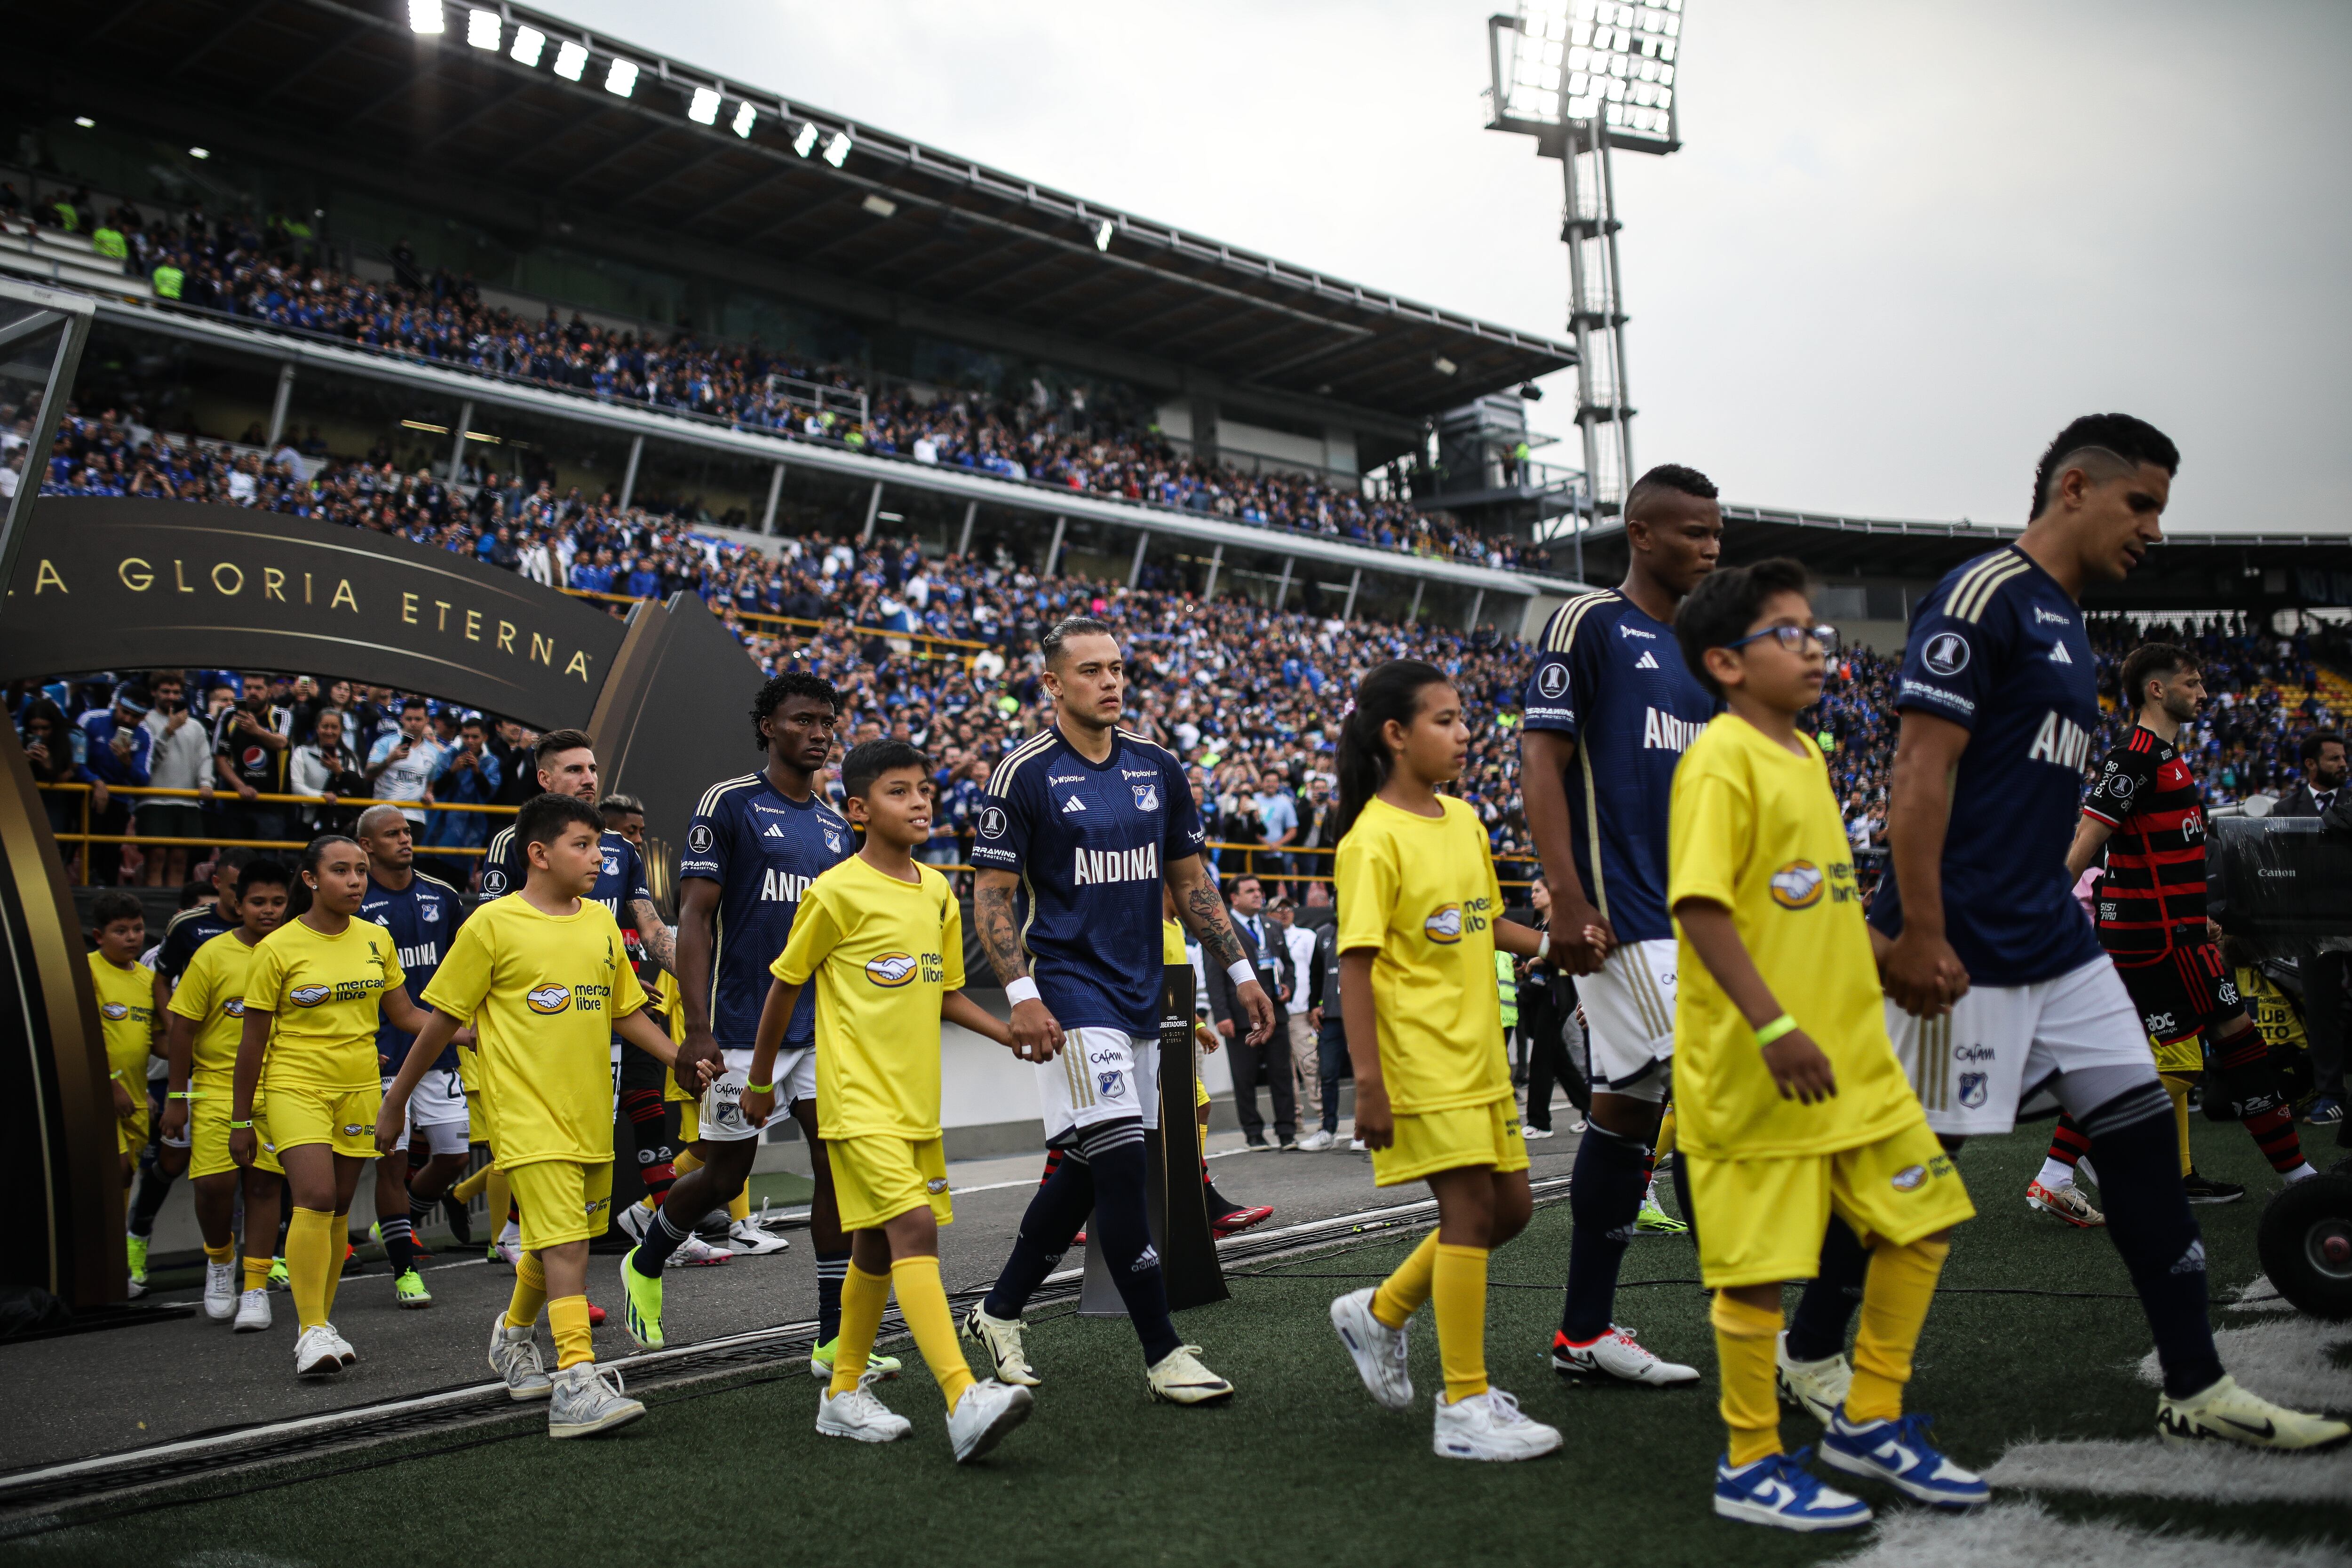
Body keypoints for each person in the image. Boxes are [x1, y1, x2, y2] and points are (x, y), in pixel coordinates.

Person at [1872, 413, 2346, 1450]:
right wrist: (1915, 929)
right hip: (1971, 939)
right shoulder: (1983, 595)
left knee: (2136, 1130)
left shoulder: (2066, 621)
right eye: (2144, 504)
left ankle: (2196, 1381)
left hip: (2057, 939)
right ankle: (1812, 1350)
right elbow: (1916, 773)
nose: (2157, 530)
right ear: (2075, 488)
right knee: (1916, 1162)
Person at [1670, 560, 1985, 1529]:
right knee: (1759, 1272)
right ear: (1725, 662)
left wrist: (1893, 956)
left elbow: (1822, 898)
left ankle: (1870, 1417)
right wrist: (1772, 1026)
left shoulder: (1804, 754)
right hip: (1761, 1065)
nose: (1813, 647)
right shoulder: (1720, 759)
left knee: (1922, 1218)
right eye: (1788, 633)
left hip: (1855, 1058)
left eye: (1816, 630)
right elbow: (1700, 906)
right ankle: (1749, 1459)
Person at [962, 615, 1272, 1405]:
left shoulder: (1159, 766)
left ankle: (998, 1312)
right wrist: (1025, 995)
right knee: (1127, 1161)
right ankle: (1163, 1350)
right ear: (1054, 685)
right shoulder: (1022, 772)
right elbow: (992, 897)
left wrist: (1241, 969)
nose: (1112, 681)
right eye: (1093, 670)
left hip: (1143, 990)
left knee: (1088, 1162)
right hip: (1071, 988)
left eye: (1118, 668)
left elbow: (1194, 885)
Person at [741, 738, 1033, 1460]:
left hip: (916, 1109)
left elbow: (946, 993)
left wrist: (1009, 1033)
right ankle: (963, 1395)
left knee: (874, 1245)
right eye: (900, 791)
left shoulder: (937, 890)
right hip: (856, 1105)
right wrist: (757, 1080)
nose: (921, 802)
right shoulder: (834, 890)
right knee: (913, 1229)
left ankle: (842, 1395)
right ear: (859, 810)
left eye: (926, 789)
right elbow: (785, 985)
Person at [381, 793, 694, 1438]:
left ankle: (514, 1335)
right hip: (526, 1116)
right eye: (583, 845)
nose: (598, 857)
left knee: (553, 1244)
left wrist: (680, 1058)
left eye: (601, 847)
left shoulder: (602, 925)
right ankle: (576, 1379)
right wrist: (393, 1104)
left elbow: (625, 1012)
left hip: (589, 1113)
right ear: (539, 853)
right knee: (569, 1245)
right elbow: (440, 1020)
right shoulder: (491, 925)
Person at [1324, 660, 1562, 1462]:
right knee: (1468, 1215)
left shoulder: (1463, 819)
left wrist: (1558, 944)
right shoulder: (1369, 841)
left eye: (1465, 719)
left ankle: (1382, 1310)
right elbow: (1355, 967)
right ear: (1396, 735)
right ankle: (1463, 1404)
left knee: (1514, 1211)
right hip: (1419, 1061)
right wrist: (1370, 1083)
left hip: (1481, 1057)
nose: (1465, 734)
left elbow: (1485, 920)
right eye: (1446, 720)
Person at [1518, 463, 1720, 1388]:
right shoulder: (1590, 623)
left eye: (1717, 532)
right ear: (1641, 533)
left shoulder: (1709, 652)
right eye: (1691, 531)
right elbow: (1540, 758)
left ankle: (1582, 1330)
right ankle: (1783, 1332)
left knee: (1630, 1108)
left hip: (1693, 916)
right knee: (1723, 1098)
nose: (1710, 546)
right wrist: (1563, 897)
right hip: (1623, 917)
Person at [2032, 644, 2318, 1220]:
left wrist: (2199, 912)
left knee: (2125, 1059)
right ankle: (2298, 1177)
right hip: (2162, 943)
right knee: (2238, 1045)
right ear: (2156, 690)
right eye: (2190, 684)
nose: (2203, 693)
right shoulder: (2134, 757)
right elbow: (2088, 836)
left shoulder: (2165, 757)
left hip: (2173, 932)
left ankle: (2056, 1173)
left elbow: (2159, 853)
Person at [623, 674, 856, 1359]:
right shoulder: (729, 805)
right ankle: (648, 1255)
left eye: (827, 722)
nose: (818, 732)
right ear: (767, 728)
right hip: (738, 1031)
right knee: (725, 1176)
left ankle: (833, 1338)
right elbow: (693, 919)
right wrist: (696, 1027)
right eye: (802, 720)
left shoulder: (838, 826)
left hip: (818, 1030)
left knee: (835, 1169)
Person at [232, 834, 436, 1378]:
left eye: (361, 872)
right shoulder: (277, 948)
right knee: (316, 1196)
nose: (354, 882)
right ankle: (310, 1330)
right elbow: (252, 1042)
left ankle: (320, 1324)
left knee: (341, 1205)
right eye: (341, 871)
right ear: (310, 879)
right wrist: (239, 1118)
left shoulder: (376, 939)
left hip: (361, 1084)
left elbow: (406, 1014)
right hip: (294, 1084)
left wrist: (464, 1032)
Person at [480, 729, 677, 1263]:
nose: (588, 778)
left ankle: (659, 1225)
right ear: (544, 779)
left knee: (640, 1115)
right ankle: (524, 1238)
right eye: (573, 770)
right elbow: (495, 935)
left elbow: (651, 925)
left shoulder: (622, 849)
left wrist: (696, 974)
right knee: (553, 1138)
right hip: (548, 1015)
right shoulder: (513, 842)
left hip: (622, 1002)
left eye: (591, 769)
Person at [159, 860, 291, 1332]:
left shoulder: (295, 949)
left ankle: (255, 1287)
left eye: (279, 901)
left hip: (277, 1087)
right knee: (213, 1187)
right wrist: (177, 1096)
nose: (269, 911)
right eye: (258, 901)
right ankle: (219, 1260)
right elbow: (182, 1030)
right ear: (238, 903)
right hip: (215, 1087)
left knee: (263, 1185)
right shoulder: (212, 954)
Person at [355, 804, 472, 1309]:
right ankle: (404, 1270)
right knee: (391, 1160)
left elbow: (464, 966)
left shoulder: (442, 895)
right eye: (391, 834)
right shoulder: (357, 902)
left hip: (440, 1050)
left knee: (455, 1155)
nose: (404, 841)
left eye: (406, 832)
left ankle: (397, 1224)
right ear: (367, 846)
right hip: (384, 1053)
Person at [2273, 730, 2349, 1126]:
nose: (2343, 765)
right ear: (2311, 764)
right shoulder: (2285, 807)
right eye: (2335, 759)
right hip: (2312, 927)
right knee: (2320, 1011)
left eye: (2343, 758)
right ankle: (2331, 1093)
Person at [1209, 873, 1295, 1149]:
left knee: (1282, 1075)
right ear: (1234, 898)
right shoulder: (1221, 927)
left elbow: (1287, 965)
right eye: (1250, 891)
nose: (1259, 894)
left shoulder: (1272, 926)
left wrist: (1288, 986)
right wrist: (1222, 1014)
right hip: (1240, 1016)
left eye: (1259, 890)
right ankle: (1254, 1133)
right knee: (1244, 1077)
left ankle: (1287, 1132)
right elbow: (1214, 975)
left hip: (1276, 1012)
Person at [88, 891, 158, 1213]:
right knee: (112, 1170)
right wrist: (111, 1083)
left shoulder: (148, 979)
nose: (132, 937)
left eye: (138, 928)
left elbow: (156, 1039)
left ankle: (114, 1260)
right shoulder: (85, 969)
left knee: (126, 1176)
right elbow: (80, 1034)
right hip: (101, 1092)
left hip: (136, 1098)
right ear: (100, 936)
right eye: (121, 931)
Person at [1274, 898, 1326, 1143]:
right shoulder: (1269, 937)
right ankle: (1295, 1121)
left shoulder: (1306, 936)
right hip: (1278, 1012)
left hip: (1302, 1011)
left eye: (1288, 908)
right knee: (1286, 1072)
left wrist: (1316, 1003)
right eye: (1278, 909)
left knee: (1310, 1064)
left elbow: (1319, 970)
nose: (1284, 913)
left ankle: (1324, 1115)